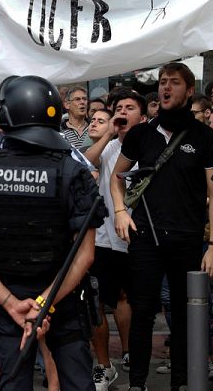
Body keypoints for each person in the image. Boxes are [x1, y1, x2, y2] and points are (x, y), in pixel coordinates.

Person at [0, 75, 104, 391]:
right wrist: (45, 302)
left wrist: (12, 303)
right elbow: (85, 253)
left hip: (7, 295)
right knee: (77, 381)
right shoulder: (73, 167)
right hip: (62, 295)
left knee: (14, 381)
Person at [111, 62, 213, 391]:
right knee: (142, 312)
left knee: (184, 318)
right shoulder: (142, 134)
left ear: (189, 91)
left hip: (188, 240)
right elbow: (116, 178)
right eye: (162, 82)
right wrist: (120, 211)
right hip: (145, 237)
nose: (166, 88)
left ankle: (180, 383)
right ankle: (137, 384)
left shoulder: (205, 138)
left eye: (174, 82)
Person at [83, 89, 148, 390]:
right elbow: (84, 164)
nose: (122, 112)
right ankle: (103, 366)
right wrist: (108, 132)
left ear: (143, 116)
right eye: (118, 107)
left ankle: (128, 355)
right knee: (96, 300)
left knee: (128, 300)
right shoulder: (108, 147)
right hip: (104, 238)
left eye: (129, 107)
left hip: (137, 238)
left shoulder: (151, 147)